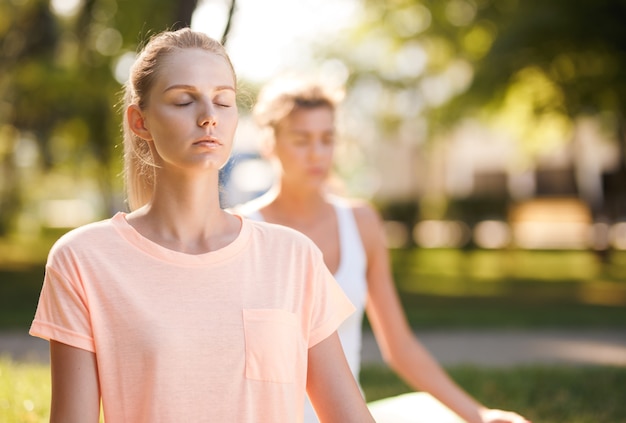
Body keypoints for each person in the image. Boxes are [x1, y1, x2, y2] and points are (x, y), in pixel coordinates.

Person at [29, 28, 375, 423]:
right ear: (140, 121)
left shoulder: (294, 257)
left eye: (223, 101)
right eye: (183, 100)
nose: (209, 116)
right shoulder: (83, 260)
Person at [234, 76, 532, 423]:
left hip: (350, 416)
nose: (316, 153)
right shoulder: (239, 230)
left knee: (434, 412)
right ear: (270, 143)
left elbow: (400, 347)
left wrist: (480, 414)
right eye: (301, 140)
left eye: (327, 139)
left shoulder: (361, 223)